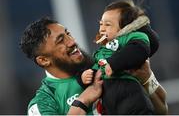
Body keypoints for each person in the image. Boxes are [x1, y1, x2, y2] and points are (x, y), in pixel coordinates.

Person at [20, 17, 167, 115]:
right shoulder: (43, 102)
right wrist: (83, 100)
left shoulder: (106, 62)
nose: (71, 42)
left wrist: (147, 79)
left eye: (68, 33)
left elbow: (162, 110)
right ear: (44, 60)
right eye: (60, 41)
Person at [79, 0, 161, 114]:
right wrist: (86, 76)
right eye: (101, 24)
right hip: (111, 102)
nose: (102, 29)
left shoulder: (128, 39)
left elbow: (140, 48)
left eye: (108, 25)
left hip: (131, 96)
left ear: (124, 28)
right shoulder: (103, 50)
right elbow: (99, 67)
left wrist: (114, 63)